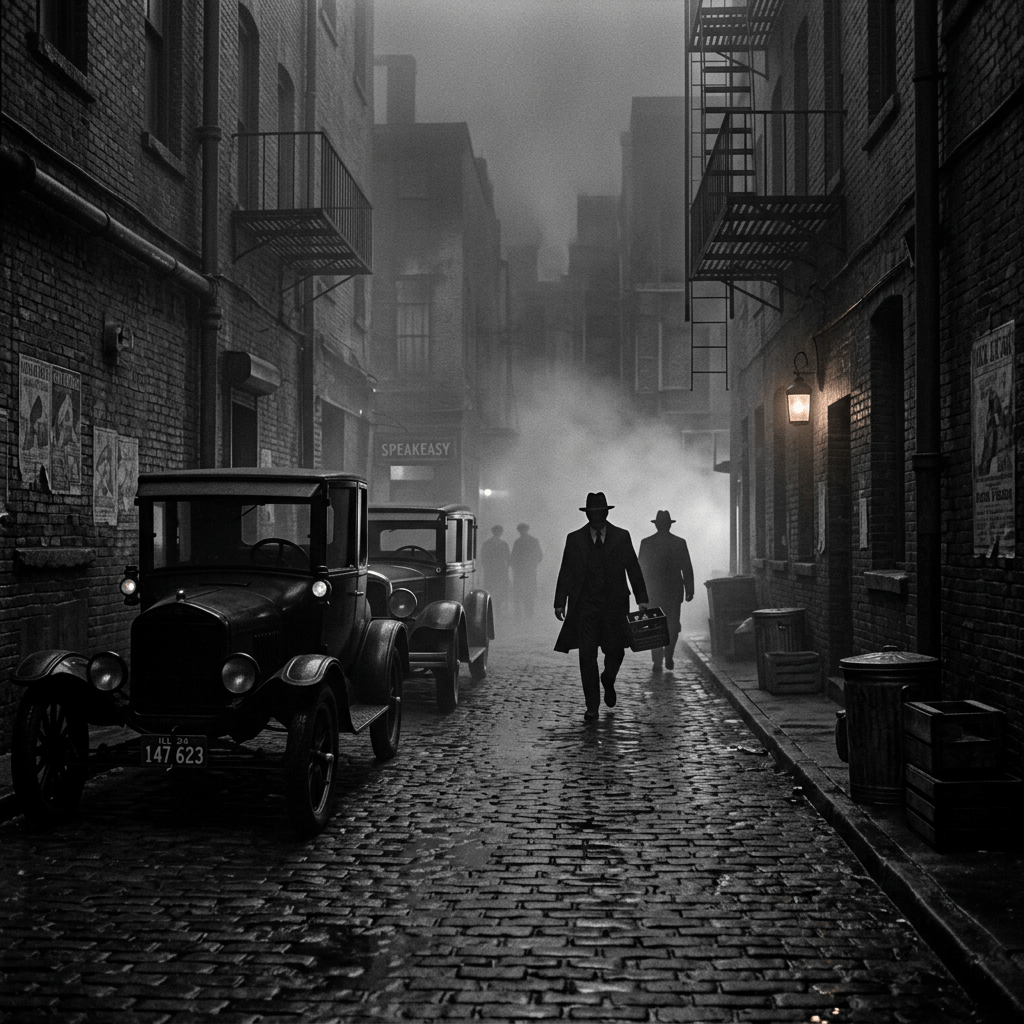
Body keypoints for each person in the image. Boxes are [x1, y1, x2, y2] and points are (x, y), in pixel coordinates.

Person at [554, 492, 649, 722]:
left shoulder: (622, 537)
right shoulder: (574, 539)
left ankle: (608, 678)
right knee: (587, 656)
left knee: (616, 650)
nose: (596, 517)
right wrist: (559, 601)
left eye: (600, 513)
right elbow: (566, 570)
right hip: (586, 607)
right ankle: (592, 707)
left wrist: (641, 597)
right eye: (592, 514)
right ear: (587, 515)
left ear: (606, 513)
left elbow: (633, 568)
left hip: (615, 606)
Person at [637, 510, 694, 672]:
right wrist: (689, 589)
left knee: (655, 626)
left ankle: (658, 659)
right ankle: (668, 655)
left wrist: (641, 595)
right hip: (673, 592)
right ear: (669, 524)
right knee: (673, 625)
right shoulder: (679, 542)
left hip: (653, 591)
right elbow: (687, 568)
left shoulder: (646, 543)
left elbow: (640, 569)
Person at [510, 523, 543, 621]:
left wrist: (532, 564)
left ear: (527, 530)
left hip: (529, 572)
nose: (522, 532)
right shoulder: (517, 542)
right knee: (518, 592)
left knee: (529, 592)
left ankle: (529, 613)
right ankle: (518, 614)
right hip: (519, 572)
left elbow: (539, 556)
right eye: (520, 530)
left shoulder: (534, 541)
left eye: (523, 530)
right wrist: (515, 566)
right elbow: (513, 556)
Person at [480, 525, 511, 614]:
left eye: (499, 532)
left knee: (498, 590)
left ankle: (496, 609)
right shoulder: (488, 544)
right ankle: (491, 609)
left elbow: (508, 559)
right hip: (493, 571)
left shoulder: (502, 544)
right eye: (497, 532)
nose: (498, 533)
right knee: (492, 590)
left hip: (498, 571)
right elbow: (483, 558)